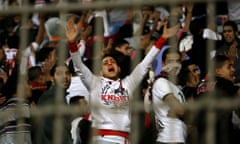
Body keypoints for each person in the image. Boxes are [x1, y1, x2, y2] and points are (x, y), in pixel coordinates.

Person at [66, 16, 180, 144]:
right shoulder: (94, 83)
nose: (110, 64)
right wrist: (72, 44)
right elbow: (78, 66)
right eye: (105, 63)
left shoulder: (128, 84)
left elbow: (145, 64)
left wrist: (162, 39)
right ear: (99, 71)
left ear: (119, 69)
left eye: (112, 62)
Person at [151, 48, 186, 144]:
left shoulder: (175, 86)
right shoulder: (162, 82)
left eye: (177, 61)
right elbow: (180, 110)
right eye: (170, 61)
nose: (174, 65)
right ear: (163, 64)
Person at [36, 62, 72, 144]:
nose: (65, 77)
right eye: (59, 74)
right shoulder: (49, 98)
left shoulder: (60, 97)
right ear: (52, 78)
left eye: (67, 73)